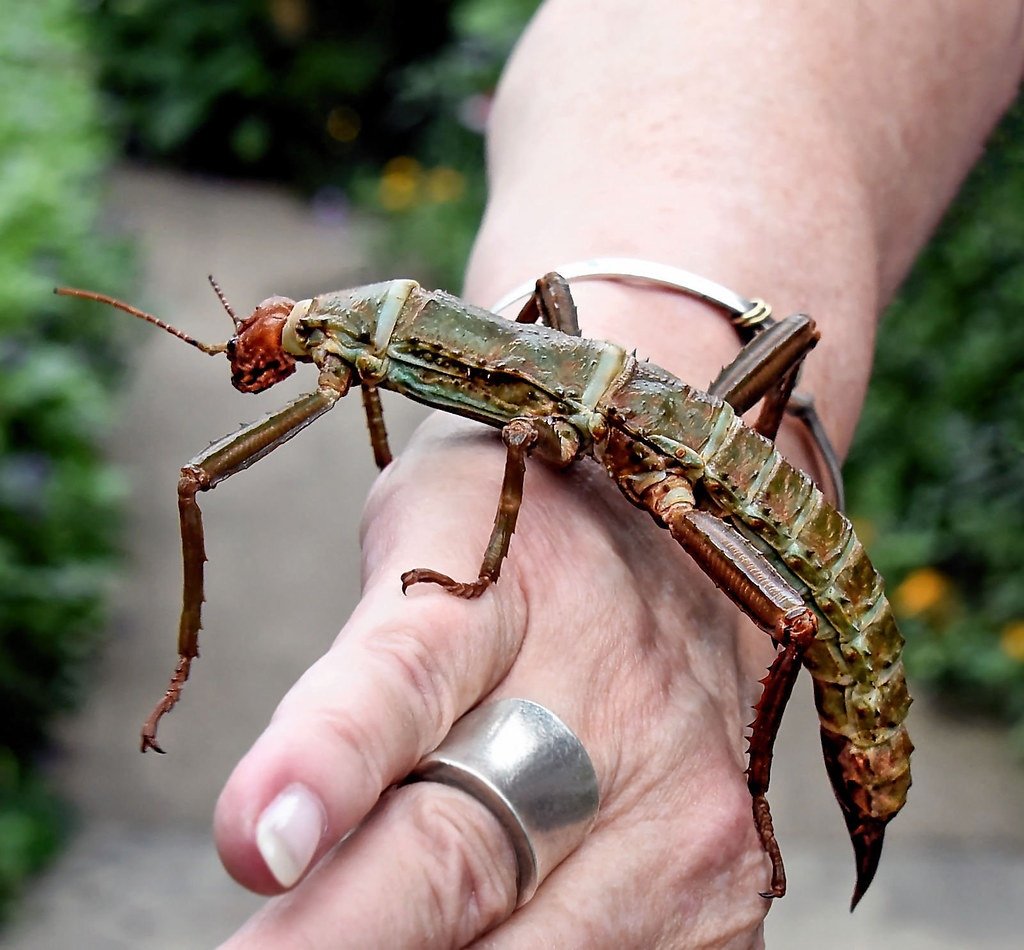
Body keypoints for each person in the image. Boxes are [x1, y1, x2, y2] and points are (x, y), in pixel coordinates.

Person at [214, 2, 1024, 946]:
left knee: (799, 620)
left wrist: (492, 571)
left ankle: (758, 797)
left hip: (730, 509)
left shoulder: (511, 404)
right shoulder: (388, 351)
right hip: (679, 441)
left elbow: (529, 432)